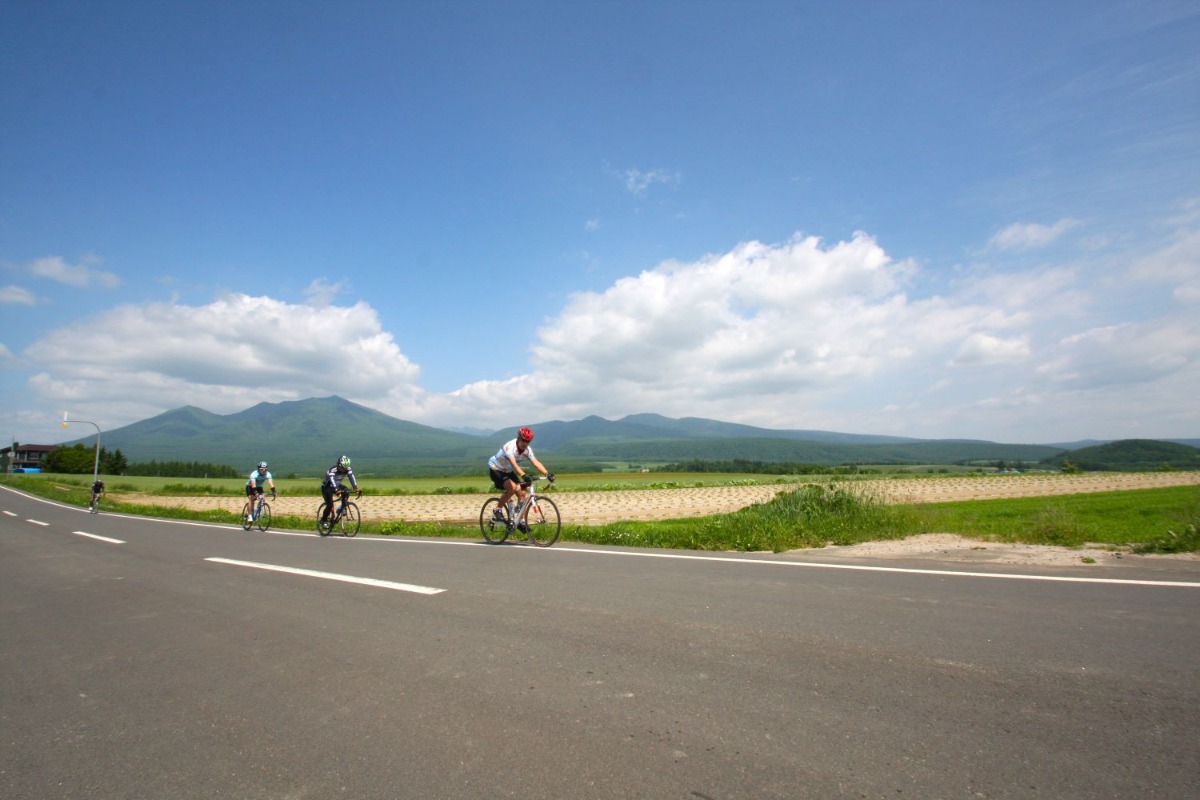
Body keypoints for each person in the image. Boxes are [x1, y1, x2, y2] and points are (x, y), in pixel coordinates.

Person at [487, 427, 554, 523]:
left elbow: (535, 463)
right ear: (518, 438)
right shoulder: (510, 447)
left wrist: (547, 473)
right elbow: (514, 464)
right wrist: (524, 475)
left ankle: (521, 521)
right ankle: (497, 510)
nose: (525, 443)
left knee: (522, 492)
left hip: (508, 470)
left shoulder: (527, 450)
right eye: (523, 440)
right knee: (513, 488)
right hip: (496, 469)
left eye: (528, 441)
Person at [320, 455, 361, 527]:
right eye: (342, 468)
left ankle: (342, 508)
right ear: (339, 465)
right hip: (327, 486)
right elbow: (332, 480)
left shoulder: (348, 469)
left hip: (337, 485)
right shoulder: (333, 470)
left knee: (346, 491)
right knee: (329, 505)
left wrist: (355, 488)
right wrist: (336, 490)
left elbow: (351, 477)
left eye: (345, 468)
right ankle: (324, 520)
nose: (343, 470)